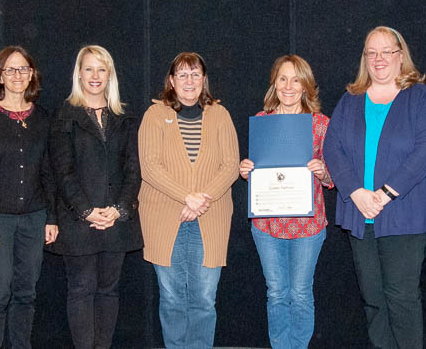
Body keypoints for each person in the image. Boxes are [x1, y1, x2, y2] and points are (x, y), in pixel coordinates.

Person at [323, 27, 426, 349]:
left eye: (386, 52)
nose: (379, 59)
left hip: (405, 214)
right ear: (365, 58)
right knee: (374, 298)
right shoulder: (350, 100)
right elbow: (332, 147)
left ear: (400, 56)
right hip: (360, 213)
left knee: (400, 298)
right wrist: (355, 192)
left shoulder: (420, 96)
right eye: (371, 53)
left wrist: (386, 193)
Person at [138, 52, 239, 349]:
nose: (189, 81)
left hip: (211, 219)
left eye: (195, 74)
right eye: (182, 75)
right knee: (171, 298)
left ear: (204, 79)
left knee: (204, 299)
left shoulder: (220, 115)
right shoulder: (154, 115)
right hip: (163, 219)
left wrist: (199, 202)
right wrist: (187, 197)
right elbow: (150, 166)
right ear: (171, 80)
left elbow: (231, 164)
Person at [48, 45, 143, 349]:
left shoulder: (125, 116)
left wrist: (118, 210)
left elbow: (133, 168)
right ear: (79, 74)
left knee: (108, 290)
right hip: (79, 222)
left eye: (101, 69)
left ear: (110, 75)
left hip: (116, 221)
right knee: (81, 289)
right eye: (88, 69)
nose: (95, 76)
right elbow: (62, 172)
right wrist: (87, 211)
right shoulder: (65, 114)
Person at [239, 55, 333, 349]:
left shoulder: (320, 124)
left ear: (306, 85)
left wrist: (323, 170)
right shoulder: (262, 122)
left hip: (309, 225)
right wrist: (246, 171)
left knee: (302, 293)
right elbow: (257, 169)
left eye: (295, 79)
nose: (288, 86)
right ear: (274, 84)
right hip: (268, 224)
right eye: (282, 79)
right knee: (277, 293)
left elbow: (334, 178)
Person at [0, 46, 58, 349]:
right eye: (10, 69)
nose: (17, 75)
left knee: (26, 293)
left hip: (34, 219)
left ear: (32, 74)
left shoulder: (42, 118)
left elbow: (49, 171)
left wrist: (51, 217)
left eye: (23, 69)